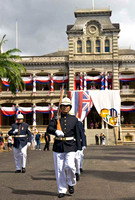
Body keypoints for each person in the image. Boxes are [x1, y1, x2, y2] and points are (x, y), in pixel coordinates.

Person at [47, 97, 81, 198]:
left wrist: (79, 148)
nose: (65, 108)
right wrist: (55, 131)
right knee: (59, 169)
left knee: (70, 166)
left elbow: (77, 134)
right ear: (60, 107)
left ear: (70, 107)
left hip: (70, 146)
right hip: (58, 146)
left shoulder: (74, 119)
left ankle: (71, 182)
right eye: (63, 106)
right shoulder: (56, 118)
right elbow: (49, 128)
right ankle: (61, 189)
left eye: (67, 106)